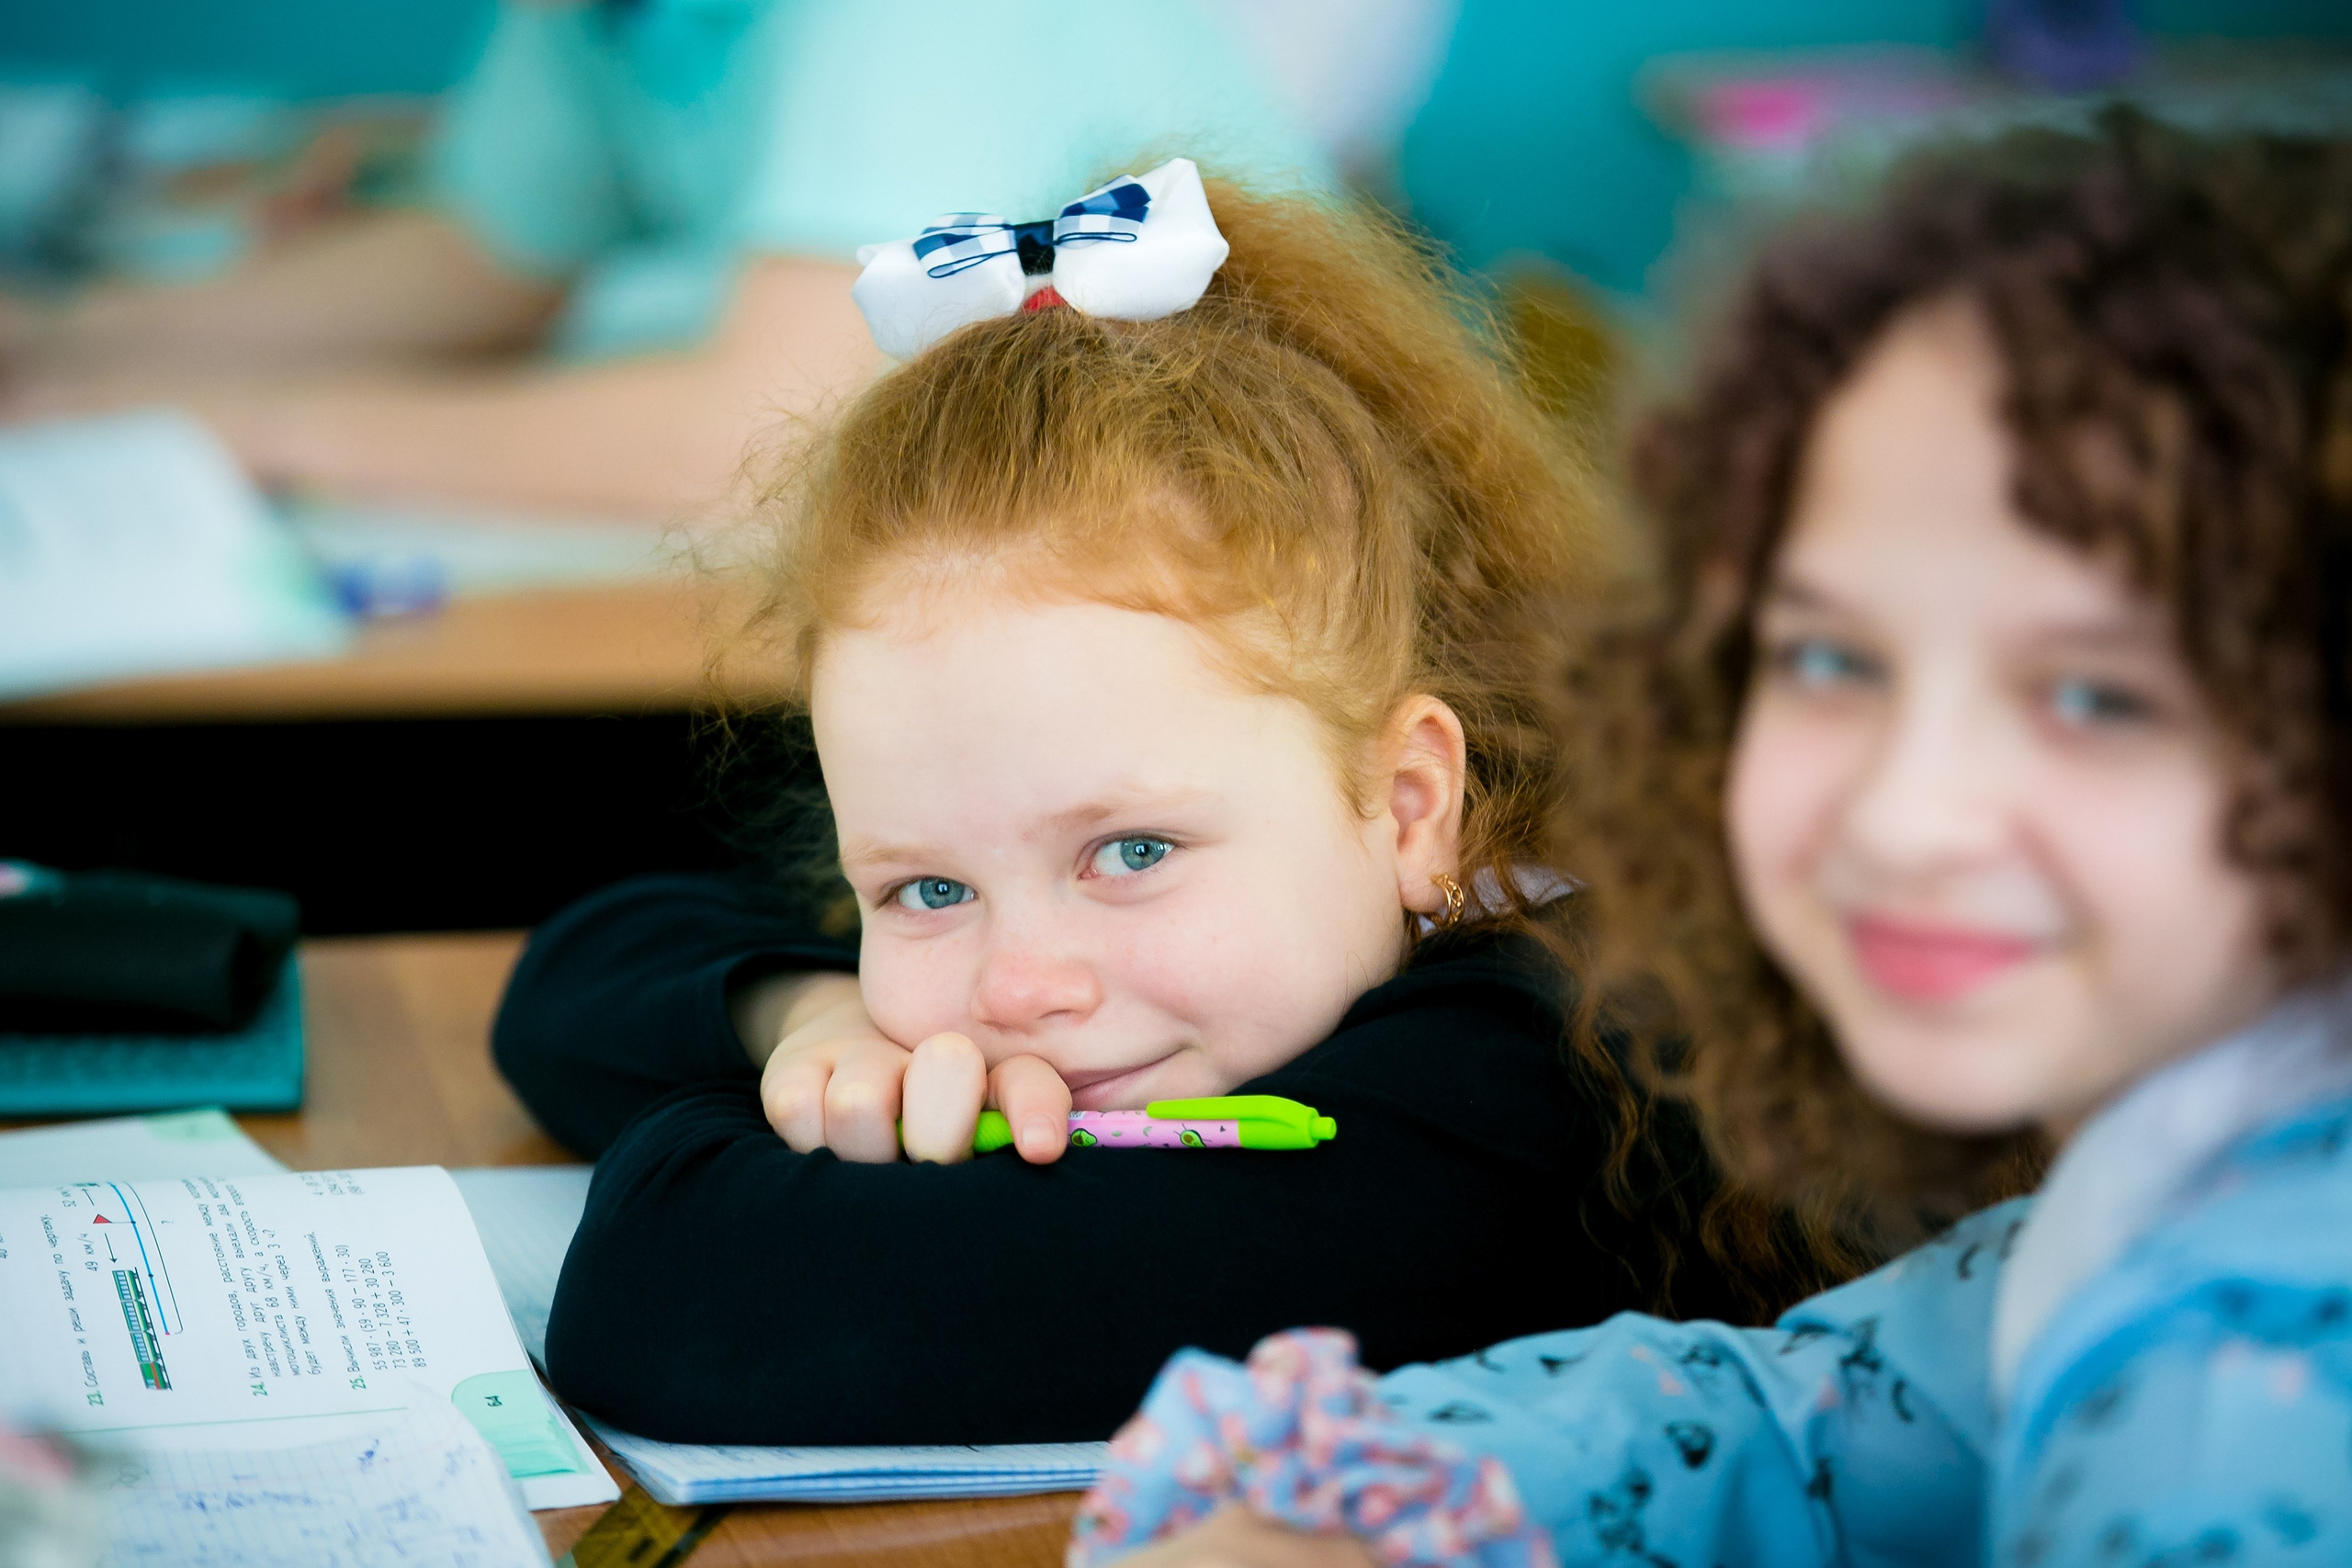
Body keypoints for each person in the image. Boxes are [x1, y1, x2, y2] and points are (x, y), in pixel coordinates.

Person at [1071, 115, 2352, 1567]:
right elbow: (1817, 1413)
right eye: (1830, 659)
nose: (1903, 812)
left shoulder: (2241, 1416)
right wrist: (1355, 1520)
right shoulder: (2191, 1163)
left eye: (2094, 694)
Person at [491, 160, 1824, 1447]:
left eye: (1131, 853)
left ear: (1412, 802)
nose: (1019, 988)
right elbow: (580, 972)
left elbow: (665, 1295)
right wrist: (823, 1020)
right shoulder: (1208, 851)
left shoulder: (1524, 1090)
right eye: (926, 889)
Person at [0, 0, 1323, 515]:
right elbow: (485, 254)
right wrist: (69, 349)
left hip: (1242, 518)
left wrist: (249, 425)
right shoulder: (610, 18)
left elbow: (772, 429)